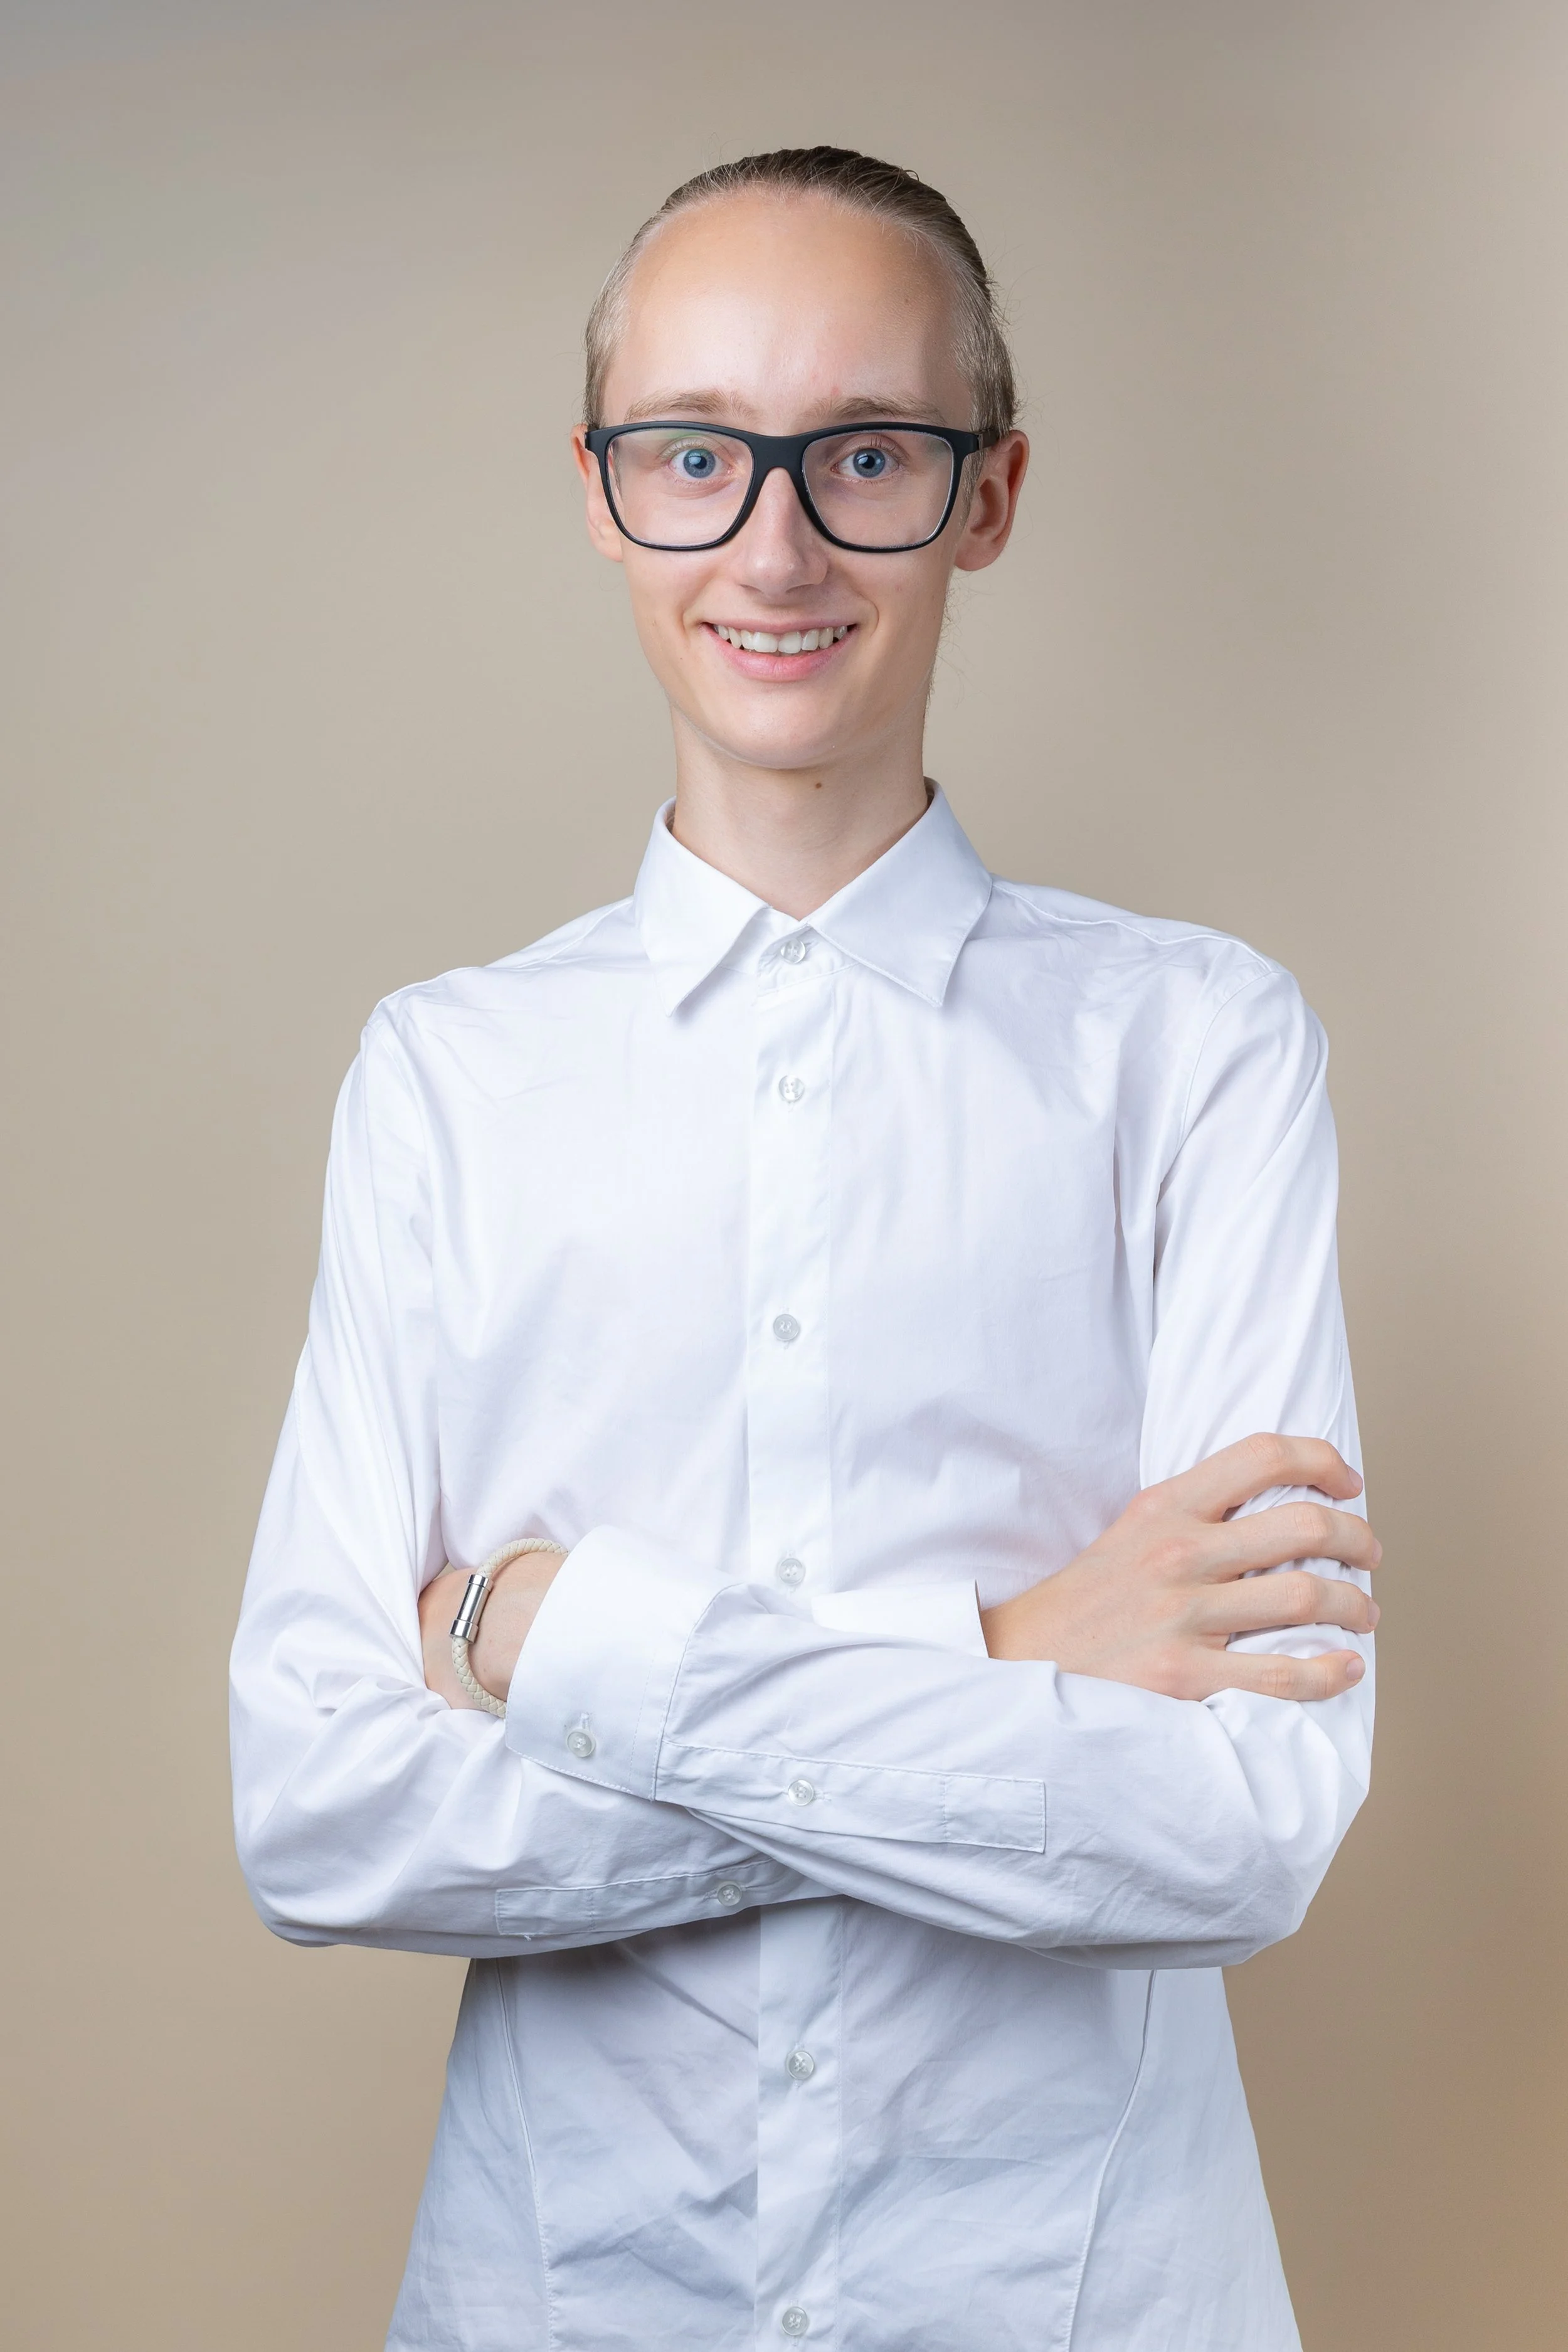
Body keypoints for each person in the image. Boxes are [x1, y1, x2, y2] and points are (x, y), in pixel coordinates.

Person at [230, 147, 1378, 2351]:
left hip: (1080, 2296)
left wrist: (572, 1655)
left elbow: (1233, 1828)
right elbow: (323, 1808)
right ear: (600, 491)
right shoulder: (447, 1079)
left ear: (987, 493)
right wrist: (1005, 1646)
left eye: (862, 453)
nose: (770, 542)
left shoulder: (1198, 1047)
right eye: (694, 453)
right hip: (565, 2297)